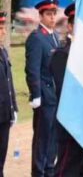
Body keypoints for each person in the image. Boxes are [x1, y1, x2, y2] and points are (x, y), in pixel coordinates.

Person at [50, 3, 83, 177]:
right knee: (67, 167)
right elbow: (64, 92)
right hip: (72, 121)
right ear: (70, 26)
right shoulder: (62, 54)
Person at [26, 0, 60, 177]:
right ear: (41, 16)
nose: (52, 17)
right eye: (48, 14)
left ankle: (49, 168)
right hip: (45, 96)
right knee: (42, 137)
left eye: (54, 14)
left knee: (54, 136)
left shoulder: (55, 36)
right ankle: (38, 171)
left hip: (55, 96)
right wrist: (36, 93)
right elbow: (32, 69)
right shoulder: (37, 38)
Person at [0, 11, 18, 177]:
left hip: (4, 113)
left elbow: (8, 82)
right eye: (0, 28)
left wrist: (14, 108)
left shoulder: (3, 51)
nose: (4, 31)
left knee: (2, 153)